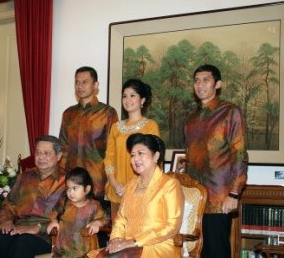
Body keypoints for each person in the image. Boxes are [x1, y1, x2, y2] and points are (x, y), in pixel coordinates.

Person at [184, 64, 248, 258]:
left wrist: (235, 194)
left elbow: (240, 154)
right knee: (195, 252)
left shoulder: (230, 112)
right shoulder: (190, 119)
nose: (200, 85)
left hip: (219, 198)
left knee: (217, 252)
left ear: (217, 84)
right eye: (196, 81)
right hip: (194, 200)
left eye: (206, 80)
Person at [89, 133, 184, 257]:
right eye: (133, 155)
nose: (135, 159)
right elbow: (121, 218)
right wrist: (116, 239)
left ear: (156, 156)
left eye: (141, 153)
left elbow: (171, 227)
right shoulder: (131, 185)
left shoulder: (170, 185)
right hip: (127, 246)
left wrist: (134, 242)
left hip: (157, 247)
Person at [0, 135, 66, 258]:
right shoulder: (25, 177)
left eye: (46, 153)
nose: (41, 157)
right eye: (38, 152)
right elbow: (9, 204)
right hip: (18, 229)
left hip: (47, 236)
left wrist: (39, 227)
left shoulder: (67, 181)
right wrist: (6, 220)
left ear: (58, 156)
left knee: (22, 243)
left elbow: (70, 214)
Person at [59, 66, 118, 205]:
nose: (80, 86)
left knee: (96, 225)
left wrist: (111, 180)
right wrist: (62, 179)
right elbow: (63, 148)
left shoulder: (107, 113)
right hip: (72, 186)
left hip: (97, 183)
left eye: (84, 82)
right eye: (77, 82)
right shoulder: (68, 113)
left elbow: (112, 150)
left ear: (95, 85)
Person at [104, 78, 160, 221]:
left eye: (132, 95)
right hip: (117, 190)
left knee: (137, 236)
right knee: (117, 235)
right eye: (124, 96)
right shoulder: (116, 127)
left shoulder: (150, 126)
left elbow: (151, 161)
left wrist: (129, 187)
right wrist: (114, 184)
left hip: (140, 190)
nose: (127, 100)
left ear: (142, 100)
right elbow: (109, 158)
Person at [47, 167, 109, 257]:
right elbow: (55, 212)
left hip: (86, 253)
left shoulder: (94, 206)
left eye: (75, 188)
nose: (70, 192)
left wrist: (97, 222)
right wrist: (54, 221)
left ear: (87, 189)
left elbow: (105, 218)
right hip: (62, 253)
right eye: (68, 188)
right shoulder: (64, 202)